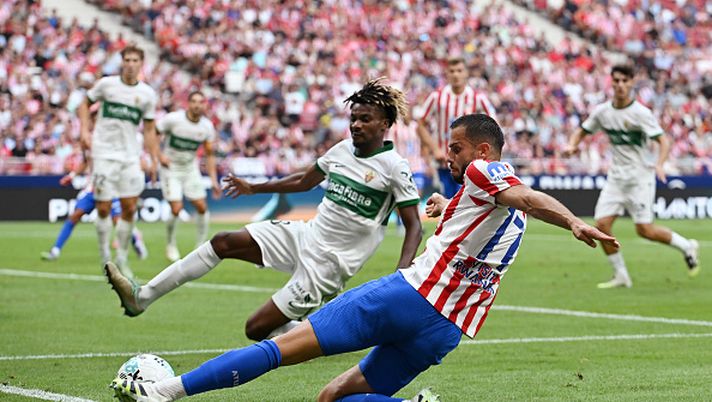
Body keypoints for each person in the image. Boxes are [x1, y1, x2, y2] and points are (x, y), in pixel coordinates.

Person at [110, 114, 619, 402]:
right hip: (447, 329)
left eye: (457, 149)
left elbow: (526, 195)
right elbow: (493, 220)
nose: (450, 157)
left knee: (280, 348)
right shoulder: (502, 214)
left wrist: (573, 219)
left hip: (408, 297)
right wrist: (448, 206)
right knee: (332, 398)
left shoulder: (487, 173)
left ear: (483, 151)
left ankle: (165, 393)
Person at [104, 78, 423, 341]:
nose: (355, 125)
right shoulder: (341, 150)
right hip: (304, 235)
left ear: (385, 124)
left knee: (256, 329)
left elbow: (413, 226)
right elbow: (303, 181)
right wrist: (254, 187)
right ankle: (140, 298)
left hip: (328, 265)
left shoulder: (394, 168)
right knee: (223, 242)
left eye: (364, 119)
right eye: (353, 117)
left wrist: (401, 275)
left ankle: (316, 336)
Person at [564, 64, 700, 288]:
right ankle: (621, 275)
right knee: (601, 225)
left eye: (625, 81)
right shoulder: (602, 112)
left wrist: (660, 164)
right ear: (611, 82)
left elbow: (663, 141)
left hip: (639, 178)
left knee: (645, 230)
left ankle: (686, 246)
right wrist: (572, 145)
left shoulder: (641, 114)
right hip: (616, 178)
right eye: (616, 80)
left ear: (631, 83)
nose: (620, 85)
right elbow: (582, 130)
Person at [78, 44, 160, 278]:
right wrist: (84, 131)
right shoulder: (107, 85)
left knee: (129, 208)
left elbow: (150, 128)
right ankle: (105, 256)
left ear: (141, 64)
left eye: (136, 60)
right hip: (103, 153)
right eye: (127, 60)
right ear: (121, 62)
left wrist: (153, 158)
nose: (131, 64)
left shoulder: (147, 94)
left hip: (130, 156)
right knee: (103, 208)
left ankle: (122, 258)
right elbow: (84, 103)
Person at [417, 56, 497, 198]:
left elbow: (493, 125)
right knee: (448, 203)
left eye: (459, 71)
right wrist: (435, 149)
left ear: (466, 73)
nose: (456, 75)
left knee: (466, 205)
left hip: (469, 162)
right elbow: (421, 125)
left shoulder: (477, 98)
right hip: (444, 160)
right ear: (447, 73)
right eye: (452, 71)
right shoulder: (437, 97)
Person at [156, 91, 221, 262]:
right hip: (170, 167)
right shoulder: (173, 119)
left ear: (205, 105)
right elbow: (152, 133)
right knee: (176, 209)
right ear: (188, 103)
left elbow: (209, 154)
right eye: (194, 101)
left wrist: (214, 180)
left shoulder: (207, 127)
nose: (197, 105)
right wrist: (158, 155)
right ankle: (170, 244)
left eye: (201, 102)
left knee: (201, 206)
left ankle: (200, 246)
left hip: (190, 168)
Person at [40, 162, 148, 261]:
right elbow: (85, 160)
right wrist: (72, 176)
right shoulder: (89, 143)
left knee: (118, 222)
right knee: (74, 216)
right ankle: (55, 250)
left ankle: (136, 240)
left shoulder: (111, 145)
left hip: (110, 189)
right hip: (92, 190)